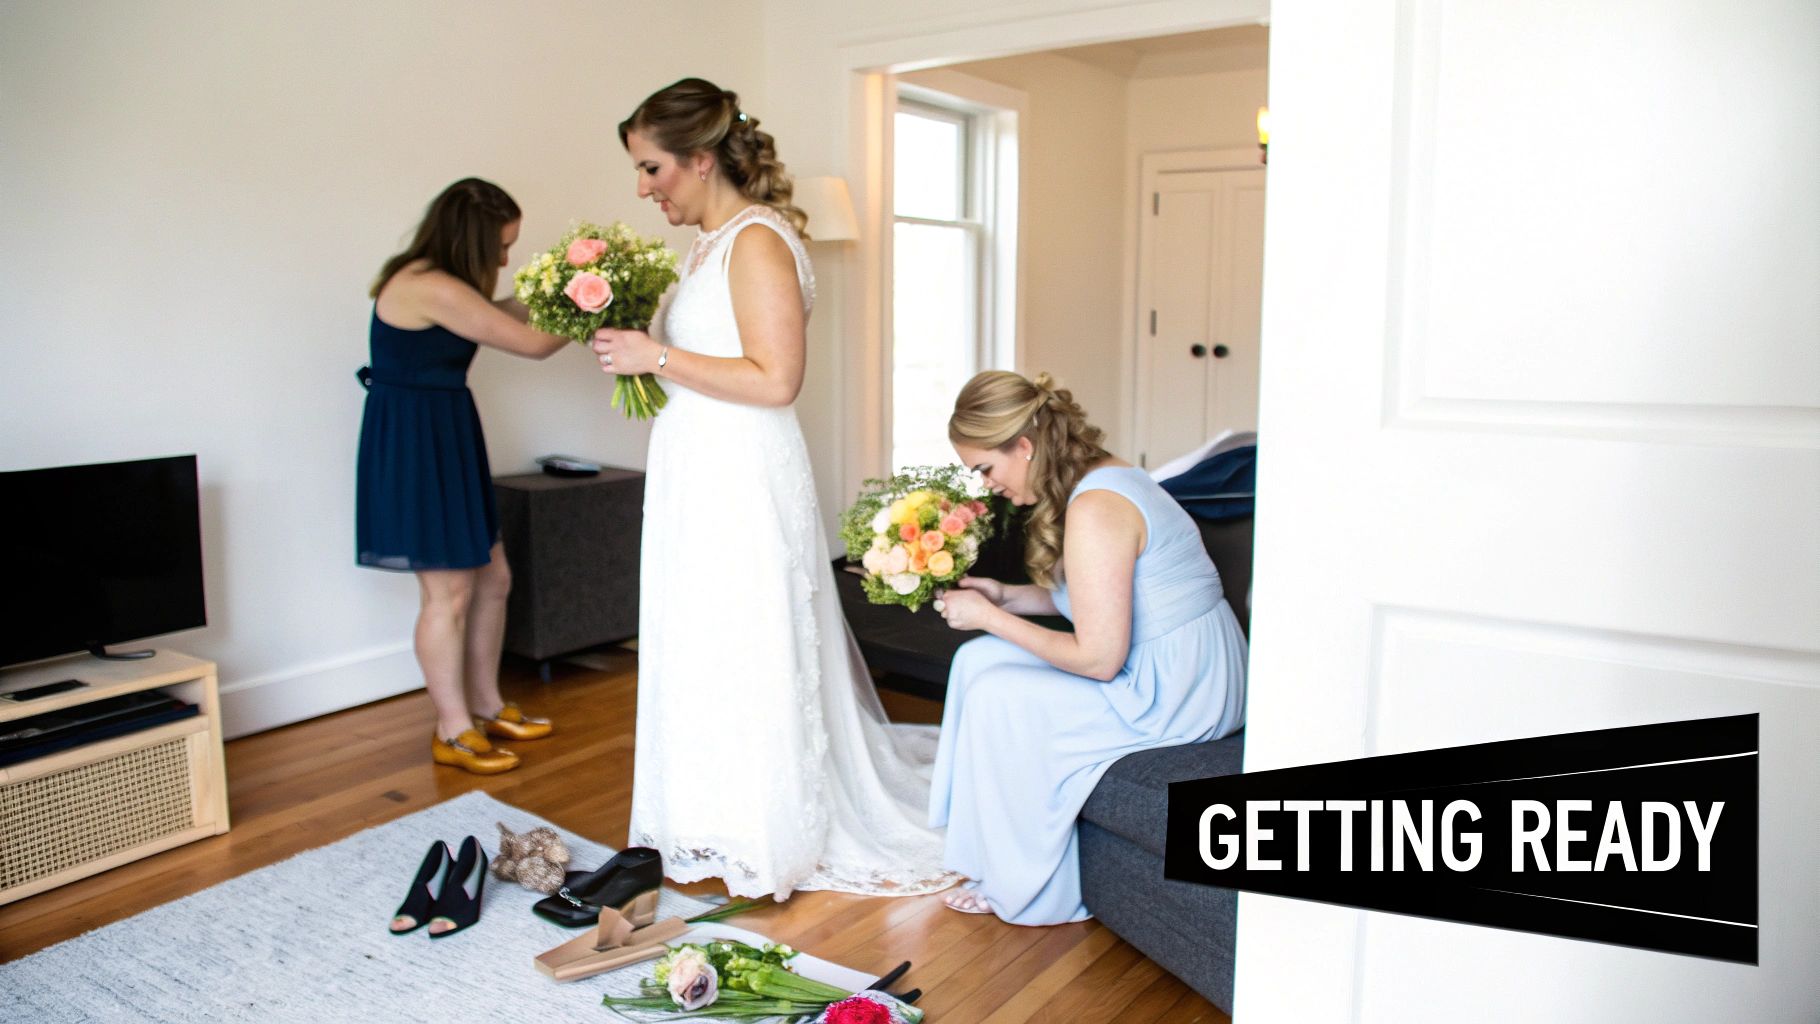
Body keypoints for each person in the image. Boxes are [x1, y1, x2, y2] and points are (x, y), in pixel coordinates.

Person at [591, 78, 952, 900]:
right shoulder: (709, 245)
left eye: (652, 169)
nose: (643, 188)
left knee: (745, 636)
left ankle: (763, 830)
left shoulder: (757, 240)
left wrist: (659, 359)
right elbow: (702, 364)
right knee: (703, 640)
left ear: (700, 158)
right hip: (698, 466)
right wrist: (635, 347)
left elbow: (776, 377)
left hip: (742, 472)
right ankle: (710, 819)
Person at [929, 370, 1248, 923]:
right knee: (976, 660)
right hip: (1182, 659)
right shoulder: (1101, 474)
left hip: (1180, 688)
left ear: (1024, 446)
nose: (985, 484)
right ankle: (985, 854)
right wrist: (1004, 596)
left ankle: (1023, 886)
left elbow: (1100, 660)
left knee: (1000, 693)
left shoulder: (1096, 508)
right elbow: (1101, 597)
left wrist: (988, 618)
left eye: (985, 468)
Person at [358, 178, 569, 775]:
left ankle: (486, 703)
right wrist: (599, 307)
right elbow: (529, 343)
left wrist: (569, 290)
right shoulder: (427, 286)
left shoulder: (443, 285)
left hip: (443, 429)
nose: (505, 260)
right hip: (416, 443)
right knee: (447, 594)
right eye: (501, 246)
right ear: (470, 240)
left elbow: (498, 313)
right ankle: (452, 731)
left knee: (493, 578)